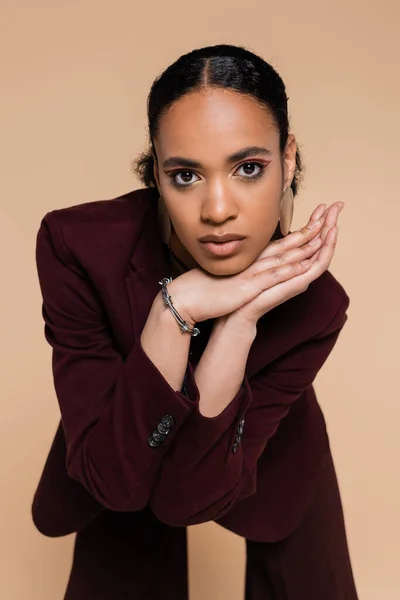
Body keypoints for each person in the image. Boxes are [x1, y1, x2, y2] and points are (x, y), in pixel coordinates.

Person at [32, 44, 358, 599]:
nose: (217, 209)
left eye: (249, 168)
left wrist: (241, 318)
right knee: (122, 525)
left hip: (262, 443)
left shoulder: (315, 306)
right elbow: (115, 478)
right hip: (120, 428)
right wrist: (175, 309)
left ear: (290, 159)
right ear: (155, 173)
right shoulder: (80, 248)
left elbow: (188, 498)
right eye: (185, 175)